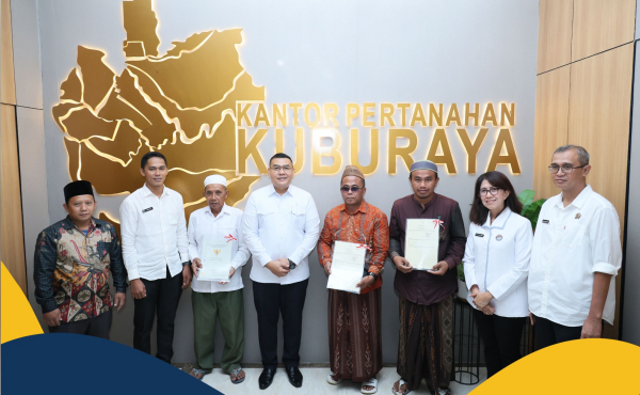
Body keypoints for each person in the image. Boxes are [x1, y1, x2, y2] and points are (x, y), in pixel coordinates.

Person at [528, 145, 622, 348]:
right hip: (543, 309)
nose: (559, 173)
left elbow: (605, 268)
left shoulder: (600, 209)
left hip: (576, 316)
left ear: (586, 170)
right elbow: (539, 256)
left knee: (574, 377)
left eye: (567, 167)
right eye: (554, 167)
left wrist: (595, 318)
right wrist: (535, 301)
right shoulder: (548, 206)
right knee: (547, 373)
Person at [243, 152, 320, 390]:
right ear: (269, 171)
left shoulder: (305, 198)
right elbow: (249, 234)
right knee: (266, 323)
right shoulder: (256, 198)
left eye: (286, 167)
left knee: (293, 322)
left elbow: (313, 233)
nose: (281, 172)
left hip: (295, 275)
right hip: (263, 275)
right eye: (276, 168)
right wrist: (269, 263)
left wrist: (291, 261)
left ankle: (291, 364)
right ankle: (268, 366)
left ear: (293, 171)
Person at [389, 160, 466, 395]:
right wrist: (395, 257)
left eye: (428, 179)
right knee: (409, 335)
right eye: (417, 179)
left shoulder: (450, 206)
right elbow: (393, 237)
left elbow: (459, 241)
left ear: (436, 181)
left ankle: (440, 383)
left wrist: (449, 263)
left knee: (440, 337)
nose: (423, 184)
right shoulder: (399, 206)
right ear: (411, 180)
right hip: (409, 283)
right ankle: (407, 379)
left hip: (439, 285)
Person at [317, 165, 389, 395]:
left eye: (354, 188)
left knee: (365, 329)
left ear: (363, 190)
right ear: (341, 190)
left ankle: (368, 374)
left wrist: (372, 274)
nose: (350, 192)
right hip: (339, 281)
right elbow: (324, 242)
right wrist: (326, 262)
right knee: (338, 327)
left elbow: (381, 250)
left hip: (366, 283)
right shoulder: (332, 214)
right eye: (345, 188)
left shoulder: (377, 215)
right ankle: (339, 371)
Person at [119, 152, 192, 363]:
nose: (157, 173)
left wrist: (185, 263)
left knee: (167, 322)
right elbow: (128, 243)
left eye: (161, 168)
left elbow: (181, 233)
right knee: (143, 326)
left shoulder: (176, 198)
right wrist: (134, 278)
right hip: (145, 275)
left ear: (167, 170)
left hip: (173, 271)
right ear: (143, 171)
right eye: (152, 169)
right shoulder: (132, 203)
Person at [33, 180, 127, 338]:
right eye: (77, 204)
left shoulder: (107, 229)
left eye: (88, 203)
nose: (84, 208)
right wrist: (48, 306)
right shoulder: (52, 234)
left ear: (95, 204)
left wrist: (121, 289)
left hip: (101, 308)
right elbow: (42, 274)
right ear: (66, 207)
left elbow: (117, 261)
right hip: (66, 312)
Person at [463, 171, 532, 378]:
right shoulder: (477, 224)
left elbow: (522, 268)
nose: (488, 194)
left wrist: (489, 295)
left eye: (494, 189)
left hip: (510, 305)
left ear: (506, 192)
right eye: (483, 190)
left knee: (508, 355)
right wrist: (476, 293)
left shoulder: (520, 224)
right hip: (480, 302)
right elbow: (469, 260)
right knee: (490, 351)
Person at [188, 175, 250, 383]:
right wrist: (194, 257)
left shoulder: (238, 216)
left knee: (233, 328)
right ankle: (202, 365)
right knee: (202, 329)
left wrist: (232, 267)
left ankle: (232, 365)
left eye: (218, 192)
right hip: (202, 284)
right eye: (209, 192)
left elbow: (244, 248)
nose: (213, 197)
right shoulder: (196, 216)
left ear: (226, 194)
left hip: (230, 283)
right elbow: (190, 244)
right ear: (204, 194)